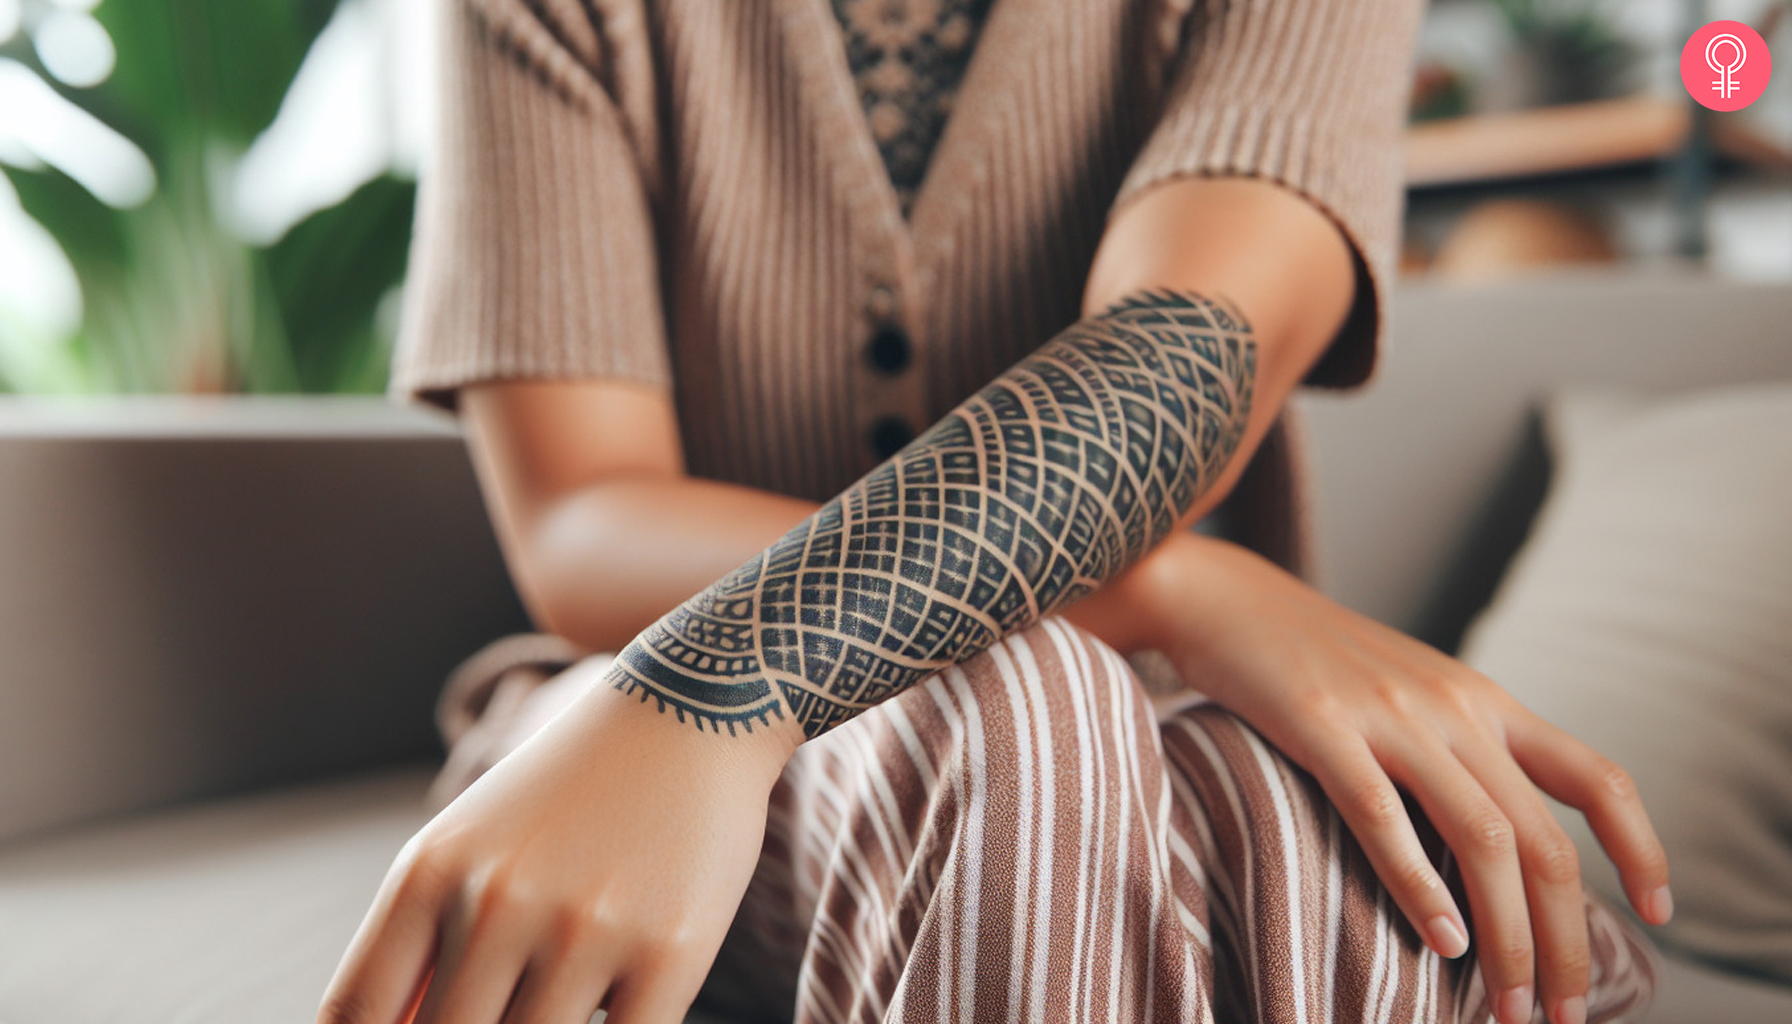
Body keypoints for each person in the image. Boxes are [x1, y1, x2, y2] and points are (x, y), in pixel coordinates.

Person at [319, 2, 1670, 1022]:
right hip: (626, 699)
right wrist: (1178, 588)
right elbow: (583, 524)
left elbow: (1188, 356)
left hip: (1155, 721)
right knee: (1024, 701)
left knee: (1274, 818)